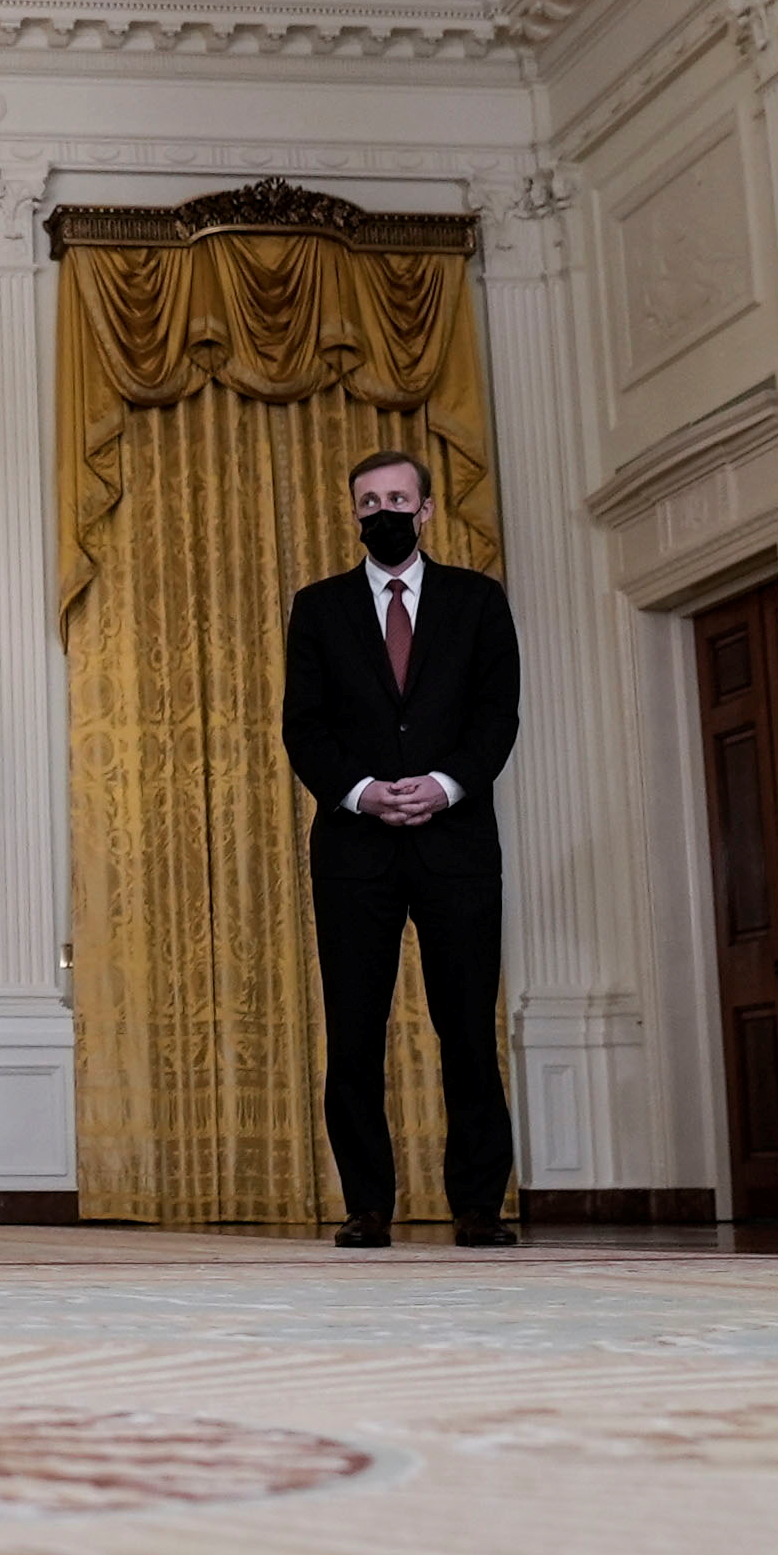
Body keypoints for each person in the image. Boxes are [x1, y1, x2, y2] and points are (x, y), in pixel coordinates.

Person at [281, 449, 523, 1250]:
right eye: (367, 500)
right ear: (353, 513)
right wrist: (361, 792)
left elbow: (498, 715)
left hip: (456, 846)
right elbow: (303, 726)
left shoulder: (478, 601)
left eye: (397, 497)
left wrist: (446, 784)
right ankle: (368, 1207)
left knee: (466, 1030)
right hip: (355, 850)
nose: (382, 510)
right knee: (354, 1034)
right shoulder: (318, 608)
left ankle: (479, 1206)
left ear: (425, 510)